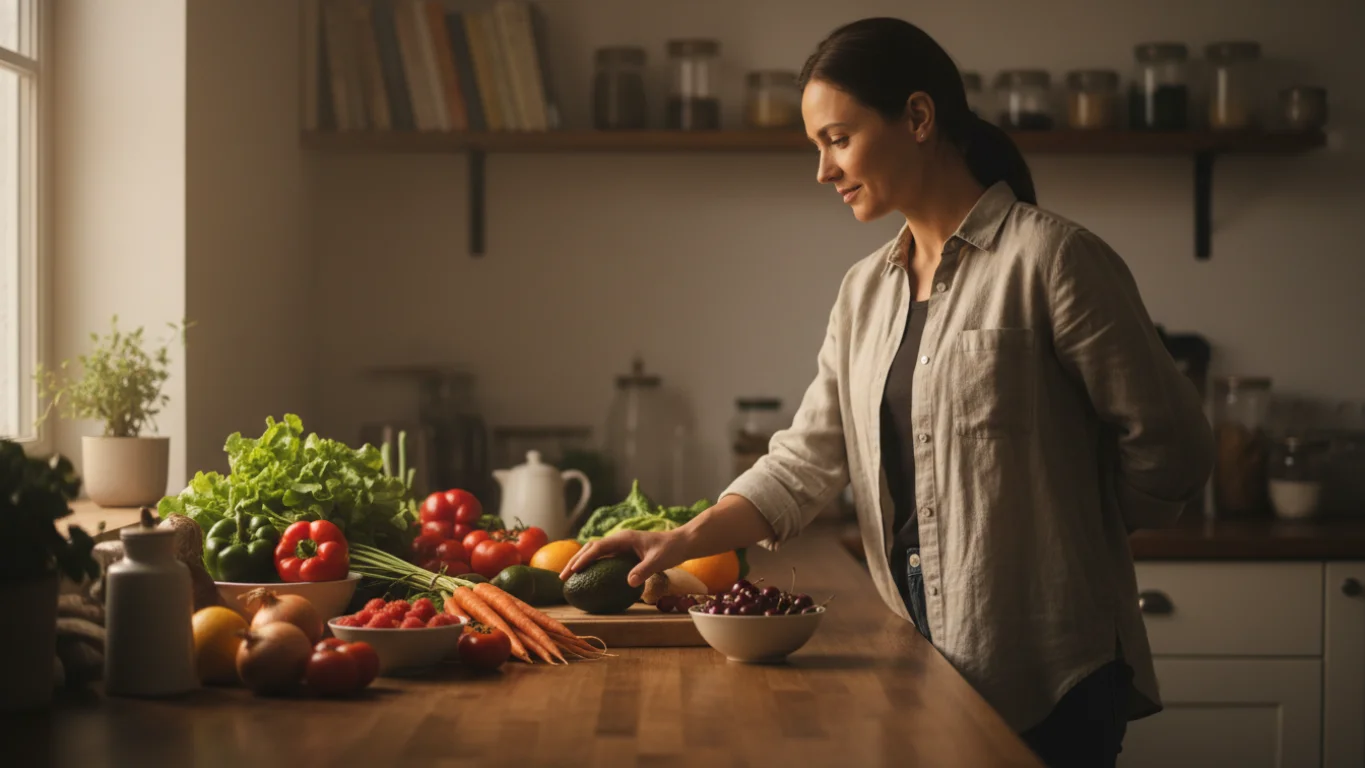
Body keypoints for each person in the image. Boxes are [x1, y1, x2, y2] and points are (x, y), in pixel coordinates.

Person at [561, 17, 1212, 768]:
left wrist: (1072, 529)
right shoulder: (863, 292)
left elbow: (1175, 447)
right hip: (921, 650)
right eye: (816, 147)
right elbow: (804, 461)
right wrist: (676, 541)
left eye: (837, 139)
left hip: (1054, 672)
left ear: (918, 117)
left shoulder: (1053, 261)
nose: (823, 171)